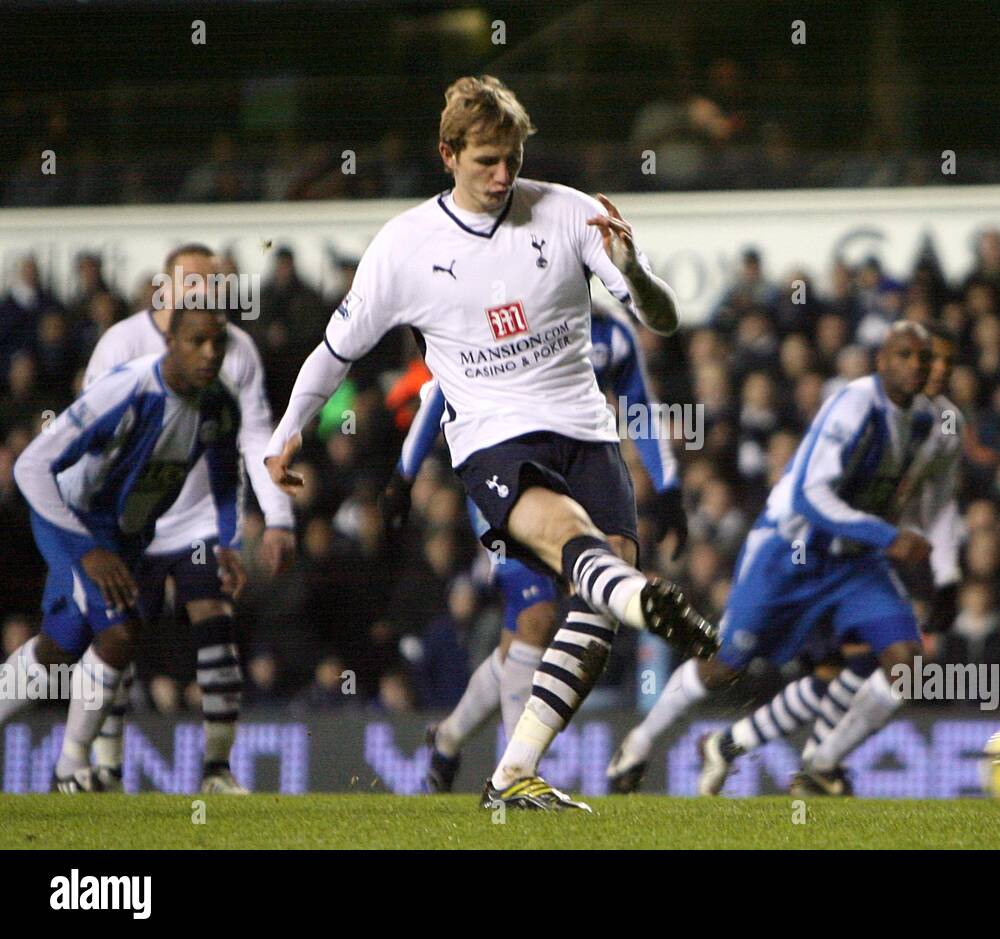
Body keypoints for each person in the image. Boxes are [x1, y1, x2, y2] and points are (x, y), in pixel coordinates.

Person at [263, 75, 717, 812]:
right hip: (493, 441)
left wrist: (633, 270)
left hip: (585, 432)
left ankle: (513, 773)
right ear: (447, 154)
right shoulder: (406, 245)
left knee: (594, 612)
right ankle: (640, 597)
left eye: (512, 157)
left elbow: (659, 318)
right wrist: (287, 436)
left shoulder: (569, 213)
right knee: (567, 568)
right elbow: (333, 351)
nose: (504, 175)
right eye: (486, 161)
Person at [607, 322, 954, 795]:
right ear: (882, 361)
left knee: (903, 667)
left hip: (854, 563)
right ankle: (642, 742)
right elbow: (811, 496)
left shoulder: (931, 424)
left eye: (925, 358)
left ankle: (818, 765)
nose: (918, 366)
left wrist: (944, 573)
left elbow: (937, 503)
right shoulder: (854, 406)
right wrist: (888, 535)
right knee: (726, 663)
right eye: (905, 355)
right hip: (791, 552)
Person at [383, 303, 688, 793]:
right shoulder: (517, 314)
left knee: (532, 632)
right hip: (507, 476)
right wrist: (404, 475)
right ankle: (518, 773)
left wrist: (667, 487)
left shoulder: (612, 335)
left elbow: (640, 408)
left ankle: (451, 736)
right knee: (536, 618)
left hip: (581, 477)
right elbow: (441, 389)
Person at [78, 244, 296, 794]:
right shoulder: (121, 344)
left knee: (216, 622)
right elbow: (87, 437)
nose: (206, 293)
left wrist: (277, 517)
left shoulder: (237, 349)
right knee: (117, 639)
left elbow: (254, 436)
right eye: (194, 283)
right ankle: (104, 766)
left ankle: (217, 770)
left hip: (198, 519)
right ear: (166, 289)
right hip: (129, 523)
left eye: (215, 283)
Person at [4, 303, 244, 792]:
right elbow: (30, 466)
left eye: (218, 343)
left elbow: (223, 473)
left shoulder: (220, 406)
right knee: (121, 630)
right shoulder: (127, 390)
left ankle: (71, 767)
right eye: (197, 342)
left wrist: (226, 540)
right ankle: (71, 768)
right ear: (170, 342)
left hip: (126, 534)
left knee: (61, 645)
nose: (210, 354)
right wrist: (86, 548)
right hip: (74, 518)